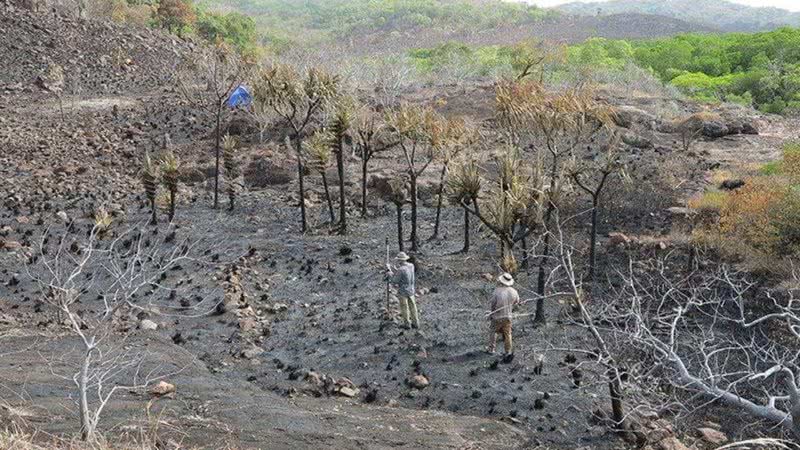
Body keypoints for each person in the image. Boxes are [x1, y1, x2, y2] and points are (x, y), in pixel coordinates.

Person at [487, 273, 520, 355]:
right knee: (508, 334)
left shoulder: (497, 291)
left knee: (493, 332)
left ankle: (492, 349)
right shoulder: (514, 292)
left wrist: (491, 314)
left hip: (497, 316)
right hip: (508, 316)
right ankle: (508, 351)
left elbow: (493, 304)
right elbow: (517, 302)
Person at [386, 252, 419, 330]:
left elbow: (395, 281)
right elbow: (403, 274)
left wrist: (390, 273)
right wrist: (392, 268)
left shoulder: (401, 270)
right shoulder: (411, 266)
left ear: (400, 260)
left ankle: (407, 324)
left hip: (403, 292)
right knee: (413, 307)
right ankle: (416, 323)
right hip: (411, 290)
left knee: (405, 308)